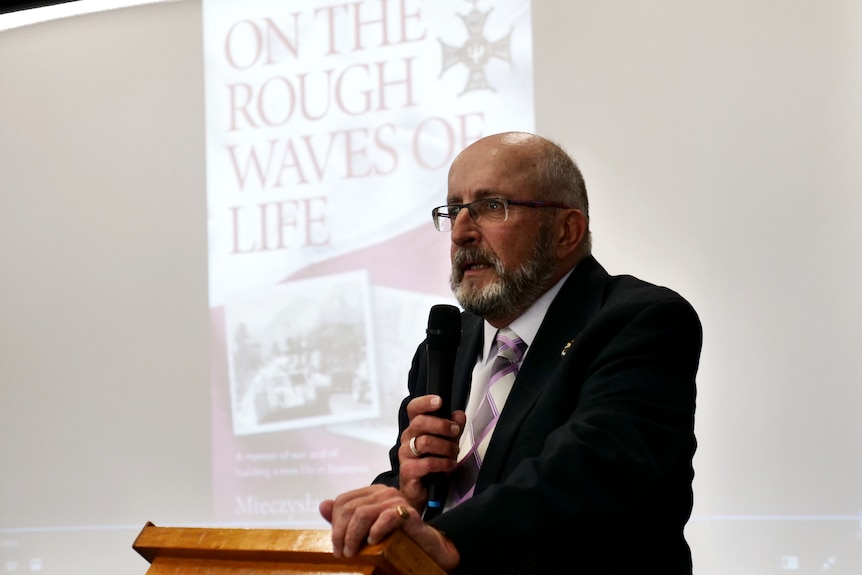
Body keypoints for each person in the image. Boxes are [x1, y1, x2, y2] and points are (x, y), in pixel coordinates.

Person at [319, 132, 702, 573]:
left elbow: (590, 472)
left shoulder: (640, 322)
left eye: (490, 206)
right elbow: (424, 493)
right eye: (454, 210)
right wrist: (403, 495)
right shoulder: (446, 347)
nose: (461, 231)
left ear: (566, 230)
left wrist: (449, 537)